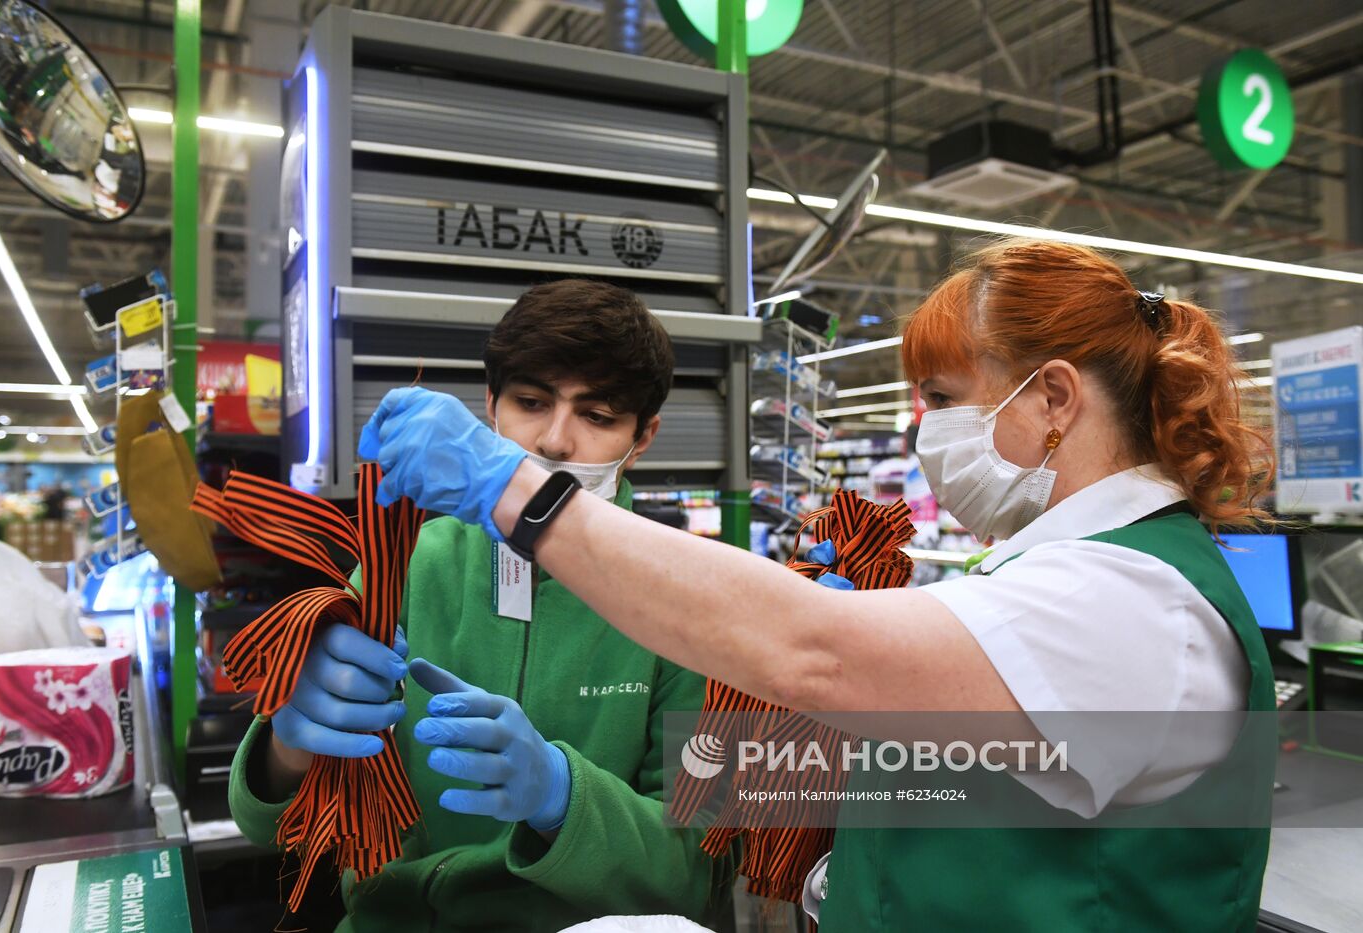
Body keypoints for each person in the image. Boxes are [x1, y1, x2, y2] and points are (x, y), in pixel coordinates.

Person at [360, 241, 1277, 931]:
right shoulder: (1057, 576)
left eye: (944, 395)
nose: (929, 429)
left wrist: (514, 491)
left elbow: (806, 652)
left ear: (1054, 399)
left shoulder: (1132, 601)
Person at [228, 280, 734, 932]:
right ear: (489, 407)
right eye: (531, 402)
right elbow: (261, 822)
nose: (555, 441)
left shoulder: (691, 603)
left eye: (598, 416)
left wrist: (562, 796)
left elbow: (701, 868)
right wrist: (287, 744)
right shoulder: (402, 564)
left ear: (643, 438)